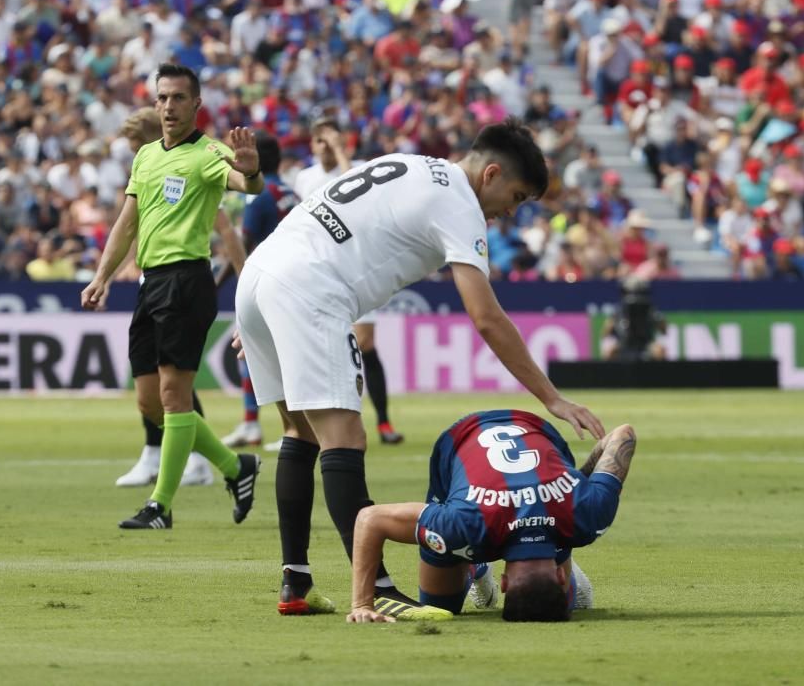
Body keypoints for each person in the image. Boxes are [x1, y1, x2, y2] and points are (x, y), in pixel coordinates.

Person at [236, 118, 606, 617]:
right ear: (491, 173)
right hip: (308, 288)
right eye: (515, 197)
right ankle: (379, 590)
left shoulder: (407, 163)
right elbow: (486, 317)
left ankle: (296, 583)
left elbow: (318, 211)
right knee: (344, 440)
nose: (509, 212)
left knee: (298, 433)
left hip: (262, 275)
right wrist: (551, 397)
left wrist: (268, 297)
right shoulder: (459, 202)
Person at [81, 63, 263, 530]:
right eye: (162, 97)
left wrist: (251, 171)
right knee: (149, 403)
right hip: (149, 283)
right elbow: (126, 221)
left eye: (178, 98)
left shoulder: (208, 153)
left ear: (196, 104)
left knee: (173, 395)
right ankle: (234, 467)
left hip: (186, 281)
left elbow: (245, 182)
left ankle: (160, 505)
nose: (168, 106)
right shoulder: (145, 157)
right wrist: (103, 275)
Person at [346, 411, 636, 623]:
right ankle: (477, 566)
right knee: (440, 607)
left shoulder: (589, 513)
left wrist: (578, 487)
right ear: (506, 583)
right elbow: (369, 519)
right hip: (463, 439)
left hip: (514, 491)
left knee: (439, 608)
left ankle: (476, 561)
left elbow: (623, 434)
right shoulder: (460, 525)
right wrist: (361, 604)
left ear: (506, 583)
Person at [113, 106, 246, 489]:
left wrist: (245, 278)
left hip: (183, 279)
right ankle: (160, 452)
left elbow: (225, 231)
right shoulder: (150, 165)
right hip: (152, 277)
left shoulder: (193, 167)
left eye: (138, 144)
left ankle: (196, 461)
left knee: (175, 385)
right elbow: (139, 220)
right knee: (152, 385)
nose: (136, 154)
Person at [292, 117, 404, 446]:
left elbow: (355, 204)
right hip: (317, 271)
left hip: (358, 268)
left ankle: (383, 422)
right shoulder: (304, 178)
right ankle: (320, 426)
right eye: (320, 141)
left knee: (365, 343)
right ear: (312, 145)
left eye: (331, 140)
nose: (325, 146)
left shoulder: (359, 170)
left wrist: (342, 153)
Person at [222, 132, 301, 451]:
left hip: (267, 284)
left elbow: (242, 246)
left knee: (253, 352)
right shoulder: (291, 193)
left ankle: (269, 425)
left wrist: (218, 282)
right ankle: (271, 425)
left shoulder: (259, 196)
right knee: (280, 354)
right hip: (296, 282)